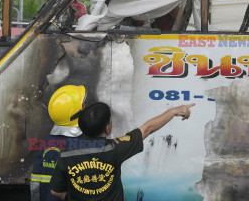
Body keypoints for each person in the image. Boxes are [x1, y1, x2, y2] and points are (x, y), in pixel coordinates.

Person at [49, 101, 195, 200]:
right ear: (107, 128)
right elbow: (147, 129)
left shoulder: (67, 152)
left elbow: (55, 191)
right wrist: (174, 111)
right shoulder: (115, 148)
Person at [30, 85, 87, 201]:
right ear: (76, 113)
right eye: (83, 104)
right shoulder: (81, 143)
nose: (85, 106)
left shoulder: (48, 142)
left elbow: (35, 181)